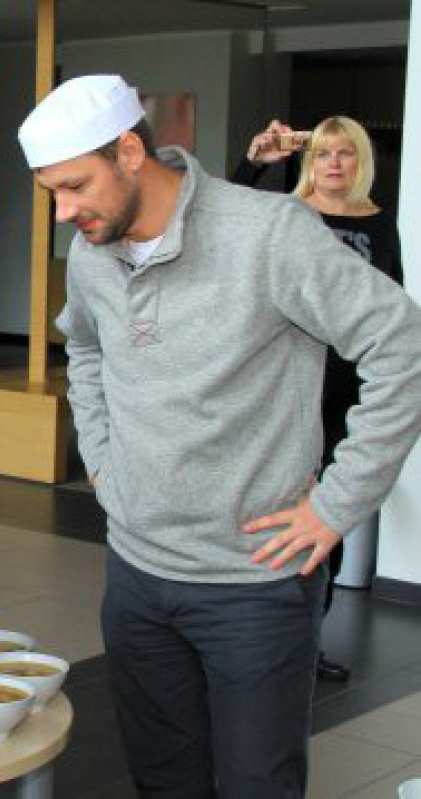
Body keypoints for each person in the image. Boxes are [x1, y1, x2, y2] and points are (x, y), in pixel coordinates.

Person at [16, 75, 421, 796]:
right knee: (164, 782)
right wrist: (103, 463)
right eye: (51, 192)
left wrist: (338, 503)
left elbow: (403, 345)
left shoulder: (269, 233)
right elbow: (83, 346)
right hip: (137, 575)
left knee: (255, 786)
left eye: (75, 186)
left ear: (130, 152)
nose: (64, 211)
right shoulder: (90, 252)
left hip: (254, 586)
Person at [234, 115, 405, 682]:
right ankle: (252, 636)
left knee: (325, 518)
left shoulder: (380, 225)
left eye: (346, 153)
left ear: (361, 161)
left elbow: (392, 309)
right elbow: (225, 221)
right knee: (267, 507)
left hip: (345, 395)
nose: (334, 163)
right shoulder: (289, 213)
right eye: (324, 152)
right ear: (310, 160)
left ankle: (307, 644)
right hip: (284, 387)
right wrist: (255, 163)